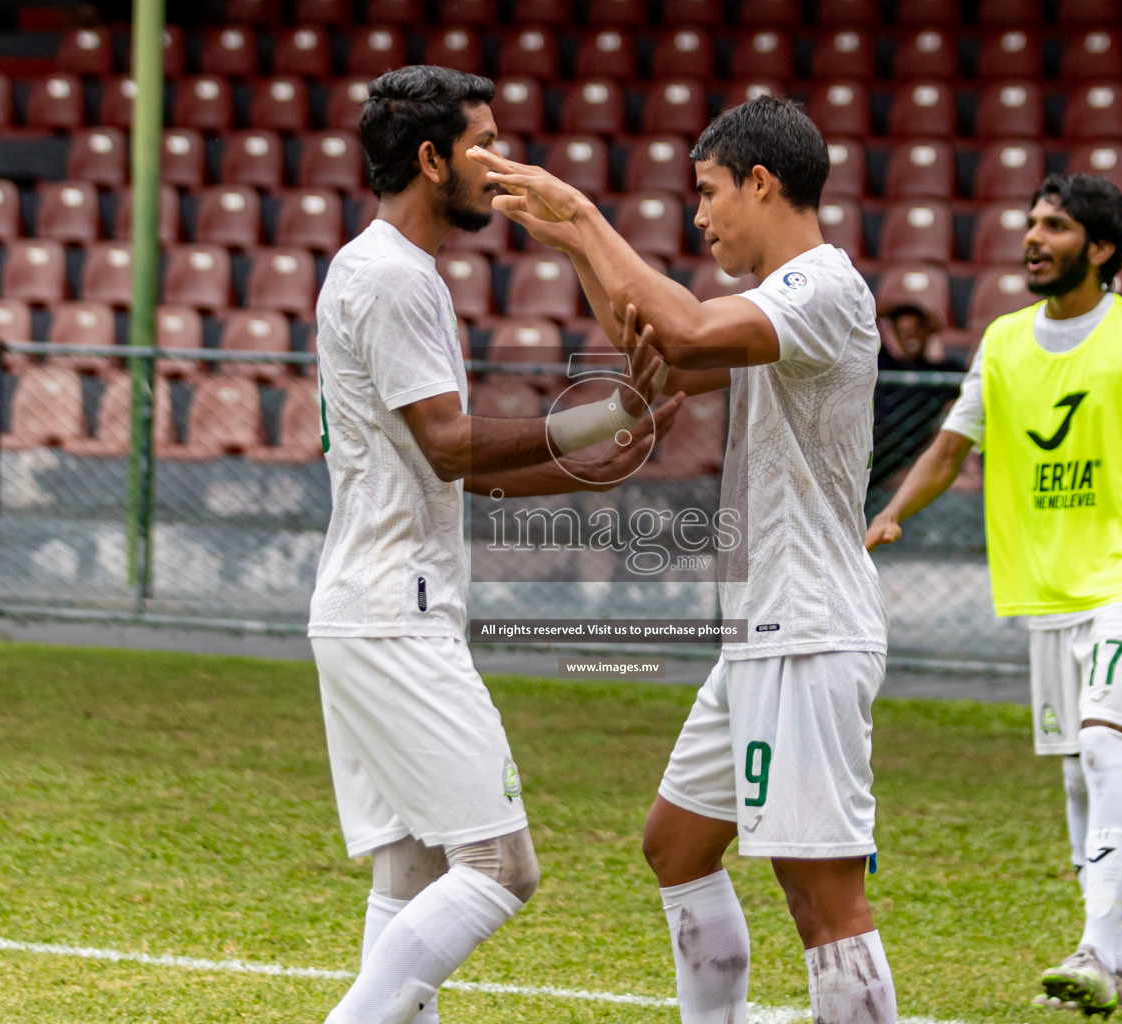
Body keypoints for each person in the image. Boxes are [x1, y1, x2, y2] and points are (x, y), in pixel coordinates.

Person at [473, 95, 899, 1023]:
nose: (699, 217)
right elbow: (669, 358)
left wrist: (588, 216)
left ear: (760, 182)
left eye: (707, 194)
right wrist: (578, 248)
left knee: (823, 898)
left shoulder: (824, 286)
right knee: (675, 846)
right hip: (761, 633)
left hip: (809, 633)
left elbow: (693, 334)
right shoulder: (770, 306)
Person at [309, 65, 680, 1024]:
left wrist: (609, 457)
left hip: (368, 606)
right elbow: (450, 443)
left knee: (412, 869)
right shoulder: (394, 276)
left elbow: (459, 469)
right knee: (501, 867)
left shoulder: (382, 268)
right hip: (397, 611)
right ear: (432, 160)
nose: (502, 164)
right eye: (482, 144)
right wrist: (593, 420)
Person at [866, 173, 1122, 1016]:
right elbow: (952, 447)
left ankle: (1095, 952)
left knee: (1105, 748)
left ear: (1100, 249)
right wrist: (887, 516)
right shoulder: (1001, 342)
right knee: (1077, 773)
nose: (1032, 238)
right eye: (1030, 223)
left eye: (1055, 226)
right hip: (1048, 587)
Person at [874, 300, 964, 486]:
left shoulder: (941, 372)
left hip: (910, 447)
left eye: (917, 330)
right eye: (904, 331)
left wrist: (934, 328)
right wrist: (890, 312)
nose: (911, 336)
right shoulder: (885, 364)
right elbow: (866, 319)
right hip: (878, 442)